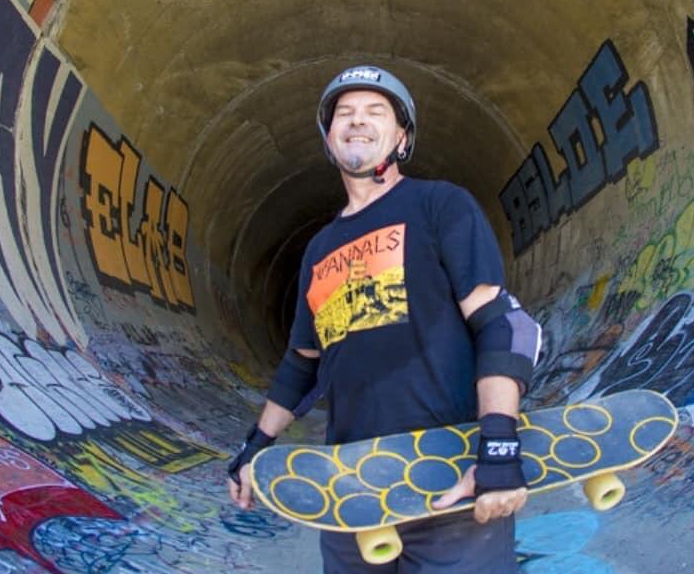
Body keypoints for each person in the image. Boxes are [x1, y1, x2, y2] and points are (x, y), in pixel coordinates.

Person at [227, 65, 542, 573]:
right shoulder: (318, 249)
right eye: (344, 113)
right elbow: (302, 365)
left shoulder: (441, 205)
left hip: (448, 478)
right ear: (329, 139)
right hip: (350, 492)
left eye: (376, 111)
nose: (357, 120)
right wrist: (255, 447)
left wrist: (499, 447)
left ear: (402, 138)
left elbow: (503, 327)